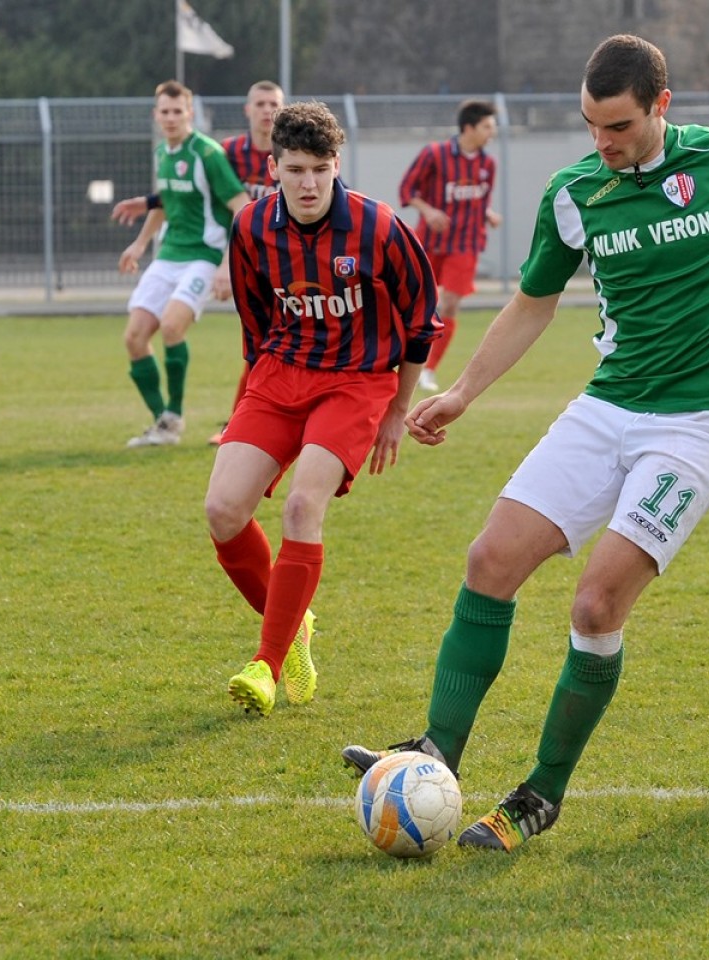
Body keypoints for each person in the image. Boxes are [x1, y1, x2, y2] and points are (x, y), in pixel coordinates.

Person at [341, 33, 709, 851]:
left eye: (619, 128)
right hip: (609, 404)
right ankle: (436, 754)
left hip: (701, 422)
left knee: (597, 603)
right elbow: (533, 301)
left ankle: (542, 792)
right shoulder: (576, 192)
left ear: (661, 108)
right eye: (591, 126)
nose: (602, 144)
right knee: (490, 560)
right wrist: (461, 391)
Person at [205, 100, 440, 717]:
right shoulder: (252, 229)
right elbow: (255, 330)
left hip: (356, 383)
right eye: (295, 170)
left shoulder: (379, 227)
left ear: (338, 164)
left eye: (320, 168)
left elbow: (421, 324)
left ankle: (268, 663)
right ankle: (297, 623)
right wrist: (241, 413)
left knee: (303, 506)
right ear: (274, 167)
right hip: (279, 377)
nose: (309, 183)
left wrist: (398, 408)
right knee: (223, 510)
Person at [115, 81, 286, 445]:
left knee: (173, 327)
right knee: (134, 337)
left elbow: (240, 205)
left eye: (178, 111)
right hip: (169, 254)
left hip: (204, 255)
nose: (172, 117)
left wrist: (226, 263)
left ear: (190, 113)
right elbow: (167, 203)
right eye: (165, 111)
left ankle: (176, 420)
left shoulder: (208, 153)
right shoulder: (163, 153)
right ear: (156, 115)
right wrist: (139, 243)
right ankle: (165, 421)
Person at [399, 99, 503, 392]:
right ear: (469, 127)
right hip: (430, 244)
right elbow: (407, 190)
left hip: (465, 244)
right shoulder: (434, 154)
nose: (491, 133)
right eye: (487, 126)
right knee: (416, 303)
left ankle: (428, 370)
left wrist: (487, 214)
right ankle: (403, 361)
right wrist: (428, 211)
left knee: (451, 305)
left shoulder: (488, 164)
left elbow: (479, 199)